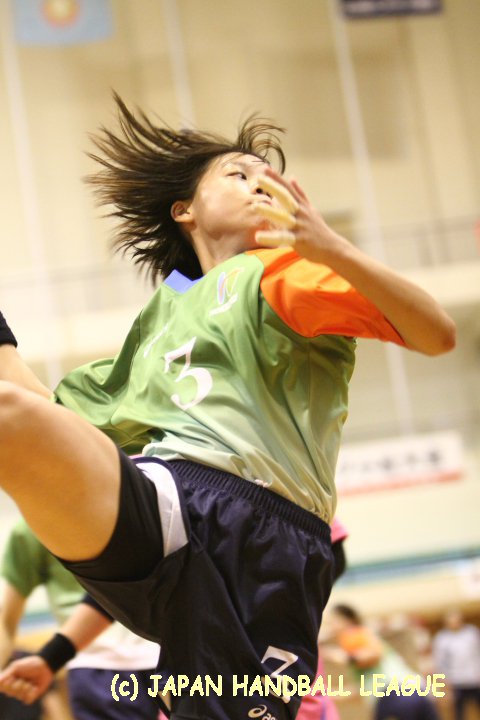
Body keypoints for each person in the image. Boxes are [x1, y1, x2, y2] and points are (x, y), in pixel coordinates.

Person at [0, 95, 456, 720]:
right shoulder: (166, 310)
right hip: (163, 497)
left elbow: (436, 334)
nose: (260, 185)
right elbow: (53, 418)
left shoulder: (284, 272)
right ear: (184, 209)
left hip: (261, 532)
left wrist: (333, 248)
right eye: (239, 174)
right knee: (12, 417)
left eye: (269, 179)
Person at [0, 519, 160, 719]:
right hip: (98, 663)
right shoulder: (29, 532)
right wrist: (50, 658)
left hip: (171, 656)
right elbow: (112, 597)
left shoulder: (133, 509)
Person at [326, 604, 440, 720]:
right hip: (416, 691)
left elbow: (374, 654)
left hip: (396, 695)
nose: (331, 626)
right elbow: (363, 687)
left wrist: (346, 657)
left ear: (346, 620)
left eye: (333, 621)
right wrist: (331, 694)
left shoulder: (352, 635)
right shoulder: (362, 636)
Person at [432, 608, 480, 720]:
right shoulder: (442, 638)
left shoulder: (471, 633)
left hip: (474, 679)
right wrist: (444, 681)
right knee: (459, 712)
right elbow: (440, 661)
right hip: (456, 681)